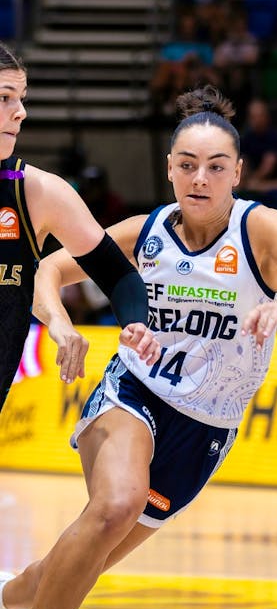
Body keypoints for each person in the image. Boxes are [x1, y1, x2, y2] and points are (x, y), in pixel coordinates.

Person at [0, 85, 277, 609]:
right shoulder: (146, 232)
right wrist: (59, 323)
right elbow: (47, 268)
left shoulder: (261, 230)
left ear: (237, 173)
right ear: (169, 169)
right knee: (116, 502)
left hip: (206, 427)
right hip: (133, 390)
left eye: (216, 166)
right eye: (187, 164)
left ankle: (13, 593)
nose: (200, 177)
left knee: (69, 565)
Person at [0, 41, 160, 412]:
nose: (20, 112)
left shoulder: (38, 193)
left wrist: (135, 324)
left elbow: (118, 275)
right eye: (6, 97)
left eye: (22, 98)